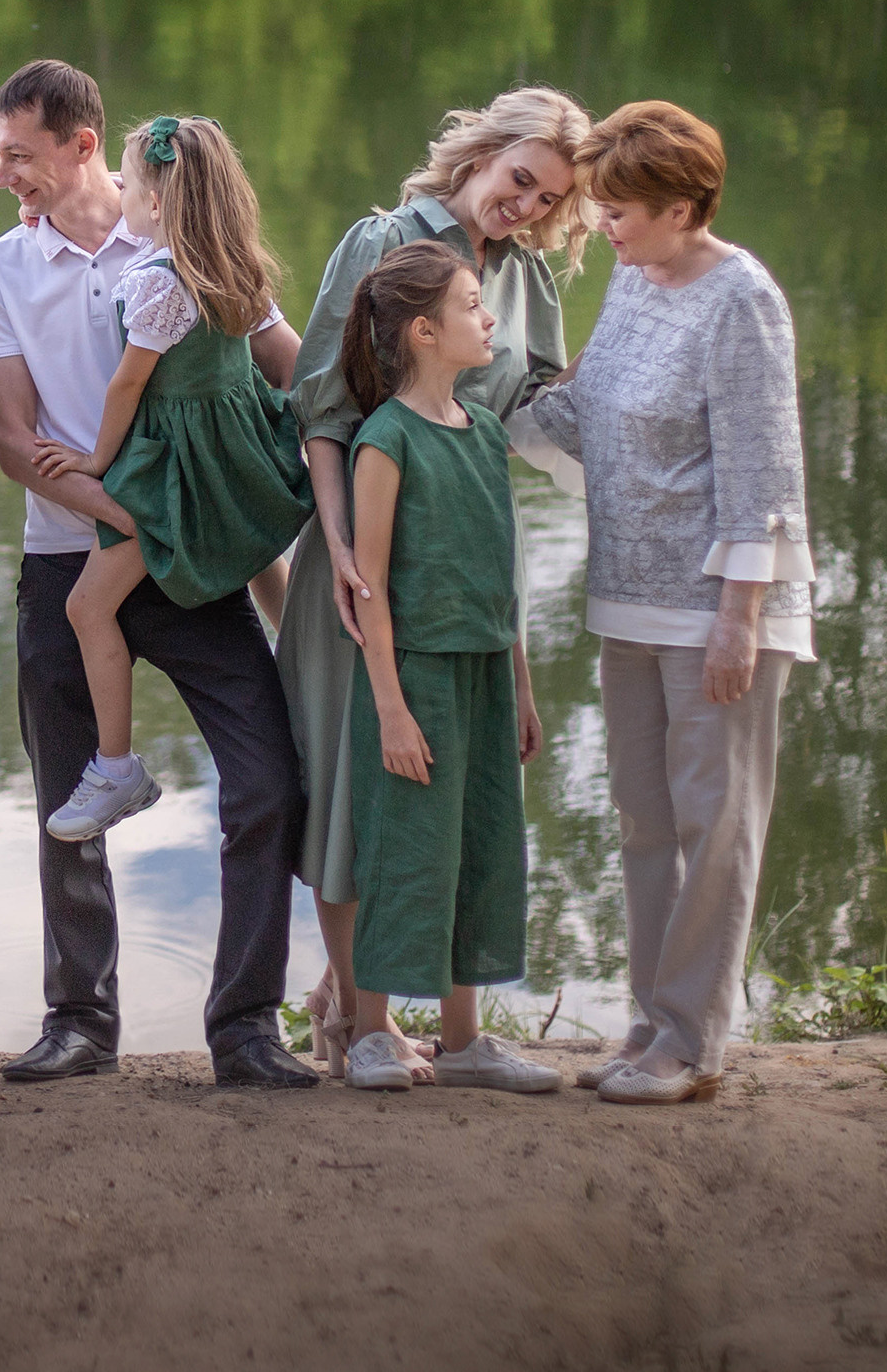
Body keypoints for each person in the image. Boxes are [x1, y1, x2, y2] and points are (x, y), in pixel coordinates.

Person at [0, 60, 316, 1089]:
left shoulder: (190, 242)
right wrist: (146, 518)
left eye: (18, 158)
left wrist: (400, 431)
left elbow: (290, 369)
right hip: (72, 561)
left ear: (84, 145)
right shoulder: (0, 268)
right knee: (66, 801)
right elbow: (10, 440)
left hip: (197, 566)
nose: (3, 180)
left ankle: (248, 1025)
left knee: (266, 783)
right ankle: (79, 1019)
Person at [281, 86, 592, 1084]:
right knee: (351, 788)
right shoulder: (383, 242)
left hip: (460, 568)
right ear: (478, 155)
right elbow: (322, 410)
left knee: (458, 790)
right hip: (360, 558)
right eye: (519, 181)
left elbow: (525, 417)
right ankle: (356, 1017)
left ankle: (419, 1025)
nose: (527, 207)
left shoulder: (527, 281)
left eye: (548, 199)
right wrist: (336, 553)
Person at [522, 101, 814, 1107]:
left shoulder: (742, 300)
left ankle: (691, 1042)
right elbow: (583, 406)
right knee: (644, 824)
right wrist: (455, 400)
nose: (600, 225)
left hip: (713, 614)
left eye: (619, 209)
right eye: (599, 207)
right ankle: (648, 1021)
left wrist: (741, 613)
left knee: (714, 824)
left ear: (683, 205)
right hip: (626, 603)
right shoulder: (636, 280)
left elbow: (763, 469)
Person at [30, 116, 313, 845]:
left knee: (88, 607)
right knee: (256, 557)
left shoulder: (155, 283)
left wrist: (95, 463)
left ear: (156, 203)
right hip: (233, 455)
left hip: (171, 470)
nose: (116, 190)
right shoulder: (235, 264)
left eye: (129, 180)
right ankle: (309, 668)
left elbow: (128, 388)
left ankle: (118, 765)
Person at [331, 242, 563, 1097]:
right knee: (408, 850)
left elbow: (503, 574)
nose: (489, 317)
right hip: (416, 678)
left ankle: (464, 1042)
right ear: (425, 332)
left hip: (486, 678)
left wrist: (524, 692)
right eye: (473, 305)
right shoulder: (386, 440)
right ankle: (369, 1033)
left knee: (480, 846)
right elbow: (372, 590)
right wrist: (390, 707)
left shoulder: (488, 430)